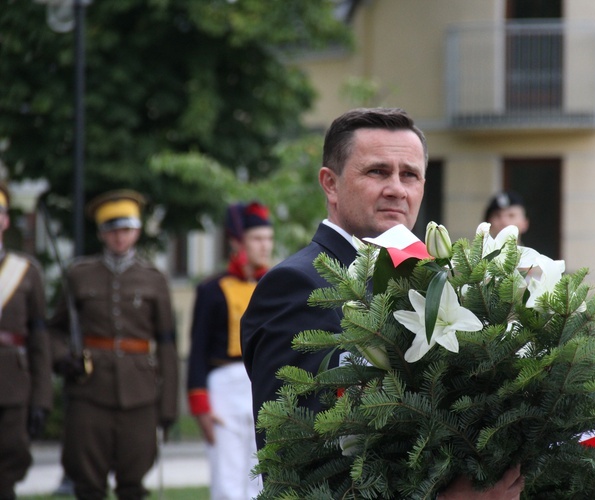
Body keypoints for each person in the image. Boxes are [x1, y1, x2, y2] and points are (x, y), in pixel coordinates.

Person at [241, 107, 524, 499]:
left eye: (409, 174)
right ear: (330, 184)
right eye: (377, 172)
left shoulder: (434, 282)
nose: (396, 188)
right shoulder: (296, 284)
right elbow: (298, 466)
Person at [49, 189, 178, 500]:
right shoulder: (79, 275)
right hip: (89, 390)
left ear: (136, 231)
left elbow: (167, 344)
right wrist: (62, 359)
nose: (119, 238)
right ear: (101, 233)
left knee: (133, 482)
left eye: (126, 230)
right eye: (112, 230)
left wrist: (169, 403)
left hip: (140, 392)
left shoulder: (154, 278)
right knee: (88, 482)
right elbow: (54, 330)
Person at [187, 200, 273, 499]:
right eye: (258, 239)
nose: (266, 246)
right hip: (223, 385)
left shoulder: (275, 285)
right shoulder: (211, 289)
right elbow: (197, 349)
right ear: (238, 242)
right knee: (227, 479)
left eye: (268, 239)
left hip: (261, 384)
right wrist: (200, 404)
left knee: (261, 476)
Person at [0, 183, 52, 500]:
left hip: (12, 383)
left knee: (11, 455)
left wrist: (42, 398)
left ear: (5, 221)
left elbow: (39, 340)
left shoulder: (26, 272)